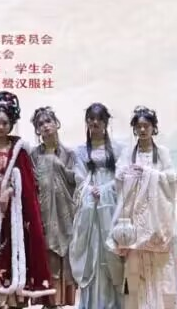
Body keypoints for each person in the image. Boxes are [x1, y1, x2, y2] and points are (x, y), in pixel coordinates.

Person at [0, 90, 54, 308]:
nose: (1, 127)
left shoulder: (19, 150)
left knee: (12, 251)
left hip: (13, 214)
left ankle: (12, 299)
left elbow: (27, 183)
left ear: (11, 124)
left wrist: (9, 191)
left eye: (5, 123)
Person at [109, 106, 177, 309]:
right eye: (139, 126)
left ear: (153, 128)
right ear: (134, 128)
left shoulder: (163, 153)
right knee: (135, 265)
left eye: (146, 126)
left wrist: (148, 173)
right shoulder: (128, 153)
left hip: (157, 217)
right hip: (135, 217)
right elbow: (118, 178)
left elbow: (171, 179)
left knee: (160, 265)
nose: (142, 130)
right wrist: (130, 173)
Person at [68, 103, 125, 309]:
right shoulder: (81, 150)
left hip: (111, 206)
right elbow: (79, 177)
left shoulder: (118, 149)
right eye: (91, 119)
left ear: (105, 122)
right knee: (92, 251)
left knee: (112, 250)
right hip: (90, 207)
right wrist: (89, 189)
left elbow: (121, 176)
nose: (95, 122)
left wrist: (107, 189)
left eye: (99, 119)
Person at [29, 106, 77, 309]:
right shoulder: (33, 155)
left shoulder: (70, 153)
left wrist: (56, 165)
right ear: (37, 130)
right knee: (46, 253)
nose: (45, 126)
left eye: (48, 121)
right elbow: (31, 183)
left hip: (65, 210)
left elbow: (75, 180)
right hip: (44, 211)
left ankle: (63, 300)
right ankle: (48, 301)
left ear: (56, 124)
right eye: (40, 124)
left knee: (65, 253)